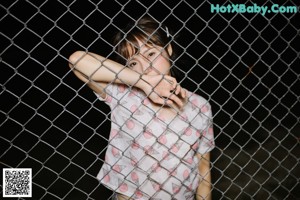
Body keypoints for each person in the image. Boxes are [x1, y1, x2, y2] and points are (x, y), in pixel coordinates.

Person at [68, 16, 215, 200]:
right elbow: (77, 61)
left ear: (168, 50)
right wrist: (143, 82)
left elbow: (203, 171)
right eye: (134, 63)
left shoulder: (199, 106)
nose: (145, 67)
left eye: (151, 54)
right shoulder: (123, 95)